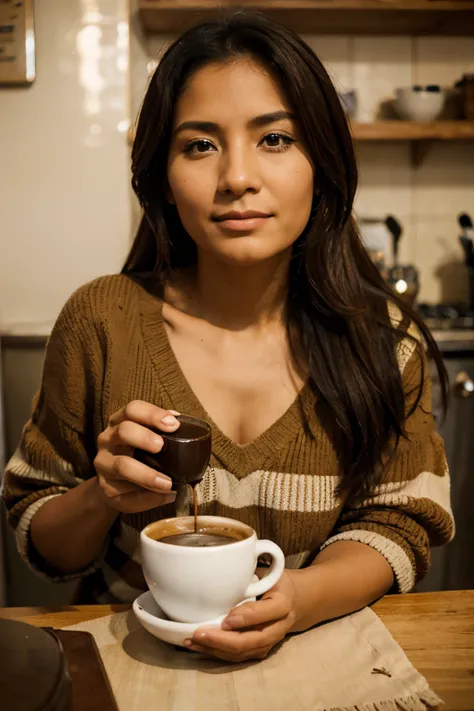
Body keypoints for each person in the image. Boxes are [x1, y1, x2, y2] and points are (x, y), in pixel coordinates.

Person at [3, 13, 454, 663]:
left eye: (274, 138)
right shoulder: (101, 321)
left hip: (323, 667)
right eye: (200, 145)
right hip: (130, 669)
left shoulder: (383, 341)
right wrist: (102, 492)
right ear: (162, 175)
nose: (238, 177)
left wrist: (300, 597)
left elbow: (399, 521)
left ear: (322, 162)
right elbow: (38, 535)